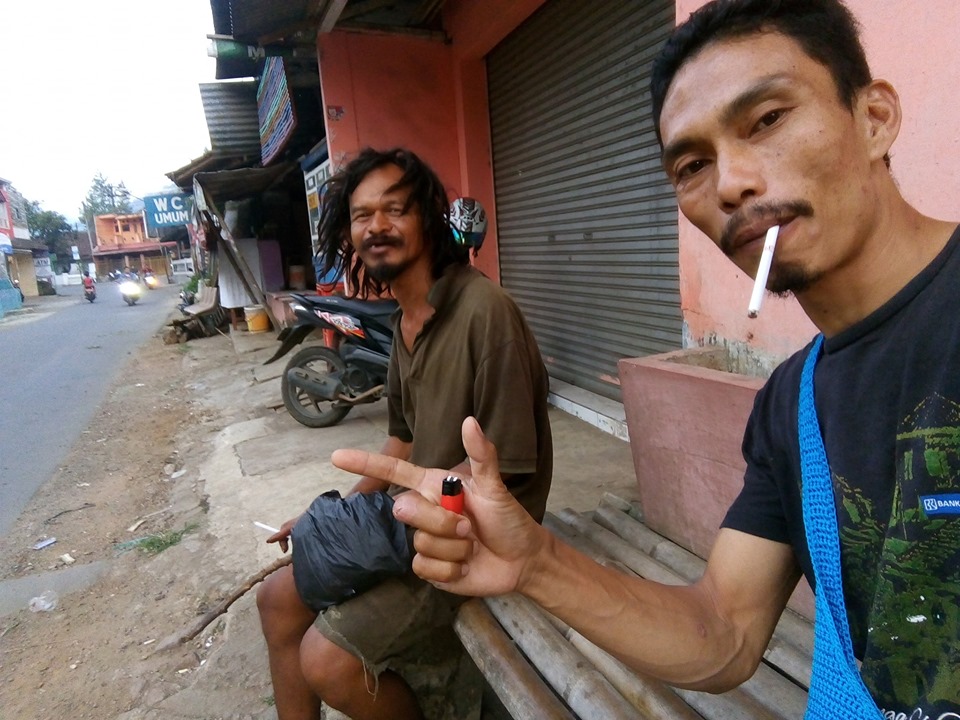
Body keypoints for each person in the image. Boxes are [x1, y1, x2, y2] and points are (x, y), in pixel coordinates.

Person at [329, 1, 960, 716]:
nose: (730, 183)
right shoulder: (794, 407)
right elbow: (724, 631)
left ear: (874, 118)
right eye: (692, 164)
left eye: (767, 119)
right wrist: (535, 562)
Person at [256, 147, 553, 720]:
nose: (377, 226)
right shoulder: (403, 321)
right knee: (276, 602)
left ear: (428, 219)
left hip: (476, 541)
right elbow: (403, 441)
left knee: (327, 661)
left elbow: (506, 470)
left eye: (395, 209)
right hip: (412, 524)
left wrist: (399, 514)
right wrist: (333, 517)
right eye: (362, 215)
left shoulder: (486, 312)